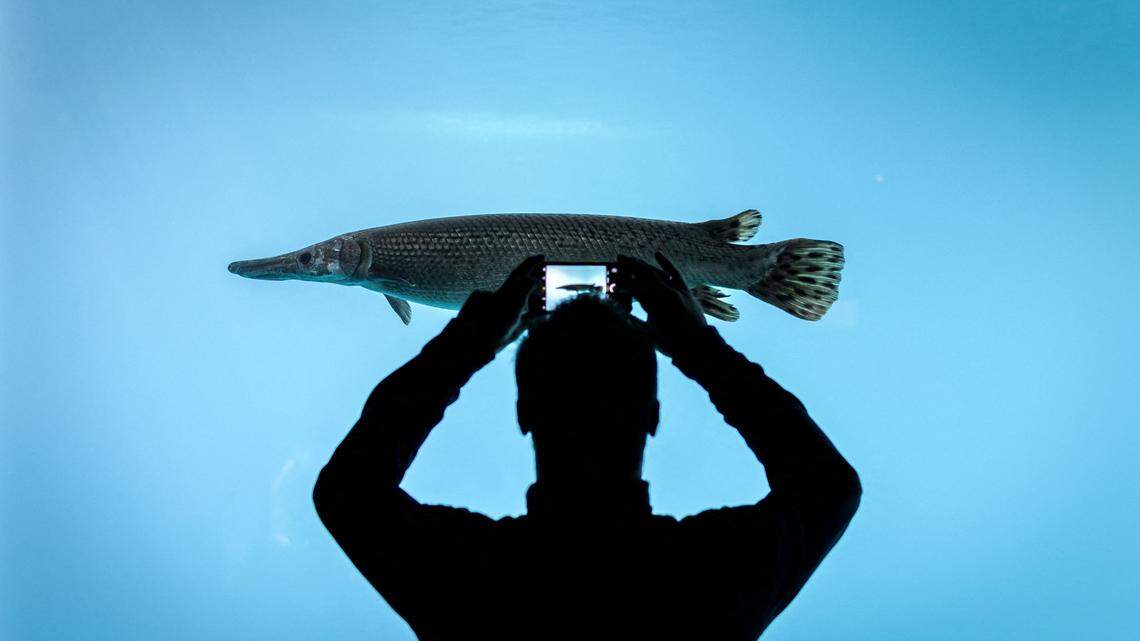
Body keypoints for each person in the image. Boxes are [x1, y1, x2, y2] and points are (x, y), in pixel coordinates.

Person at [312, 253, 861, 640]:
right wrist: (699, 346)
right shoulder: (710, 577)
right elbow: (828, 486)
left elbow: (347, 492)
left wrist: (468, 342)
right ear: (653, 416)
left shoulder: (472, 578)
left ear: (524, 414)